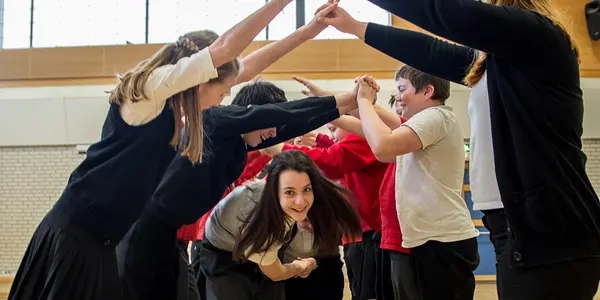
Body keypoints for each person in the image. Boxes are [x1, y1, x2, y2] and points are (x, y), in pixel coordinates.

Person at [8, 1, 299, 299]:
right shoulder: (149, 92)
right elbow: (225, 49)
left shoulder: (172, 107)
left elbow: (244, 67)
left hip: (103, 238)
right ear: (201, 78)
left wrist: (309, 30)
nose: (221, 101)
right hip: (78, 231)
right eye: (222, 92)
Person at [317, 1, 600, 299]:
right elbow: (431, 52)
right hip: (511, 230)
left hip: (548, 230)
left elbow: (444, 13)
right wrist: (356, 27)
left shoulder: (540, 36)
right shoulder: (493, 62)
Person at [118, 62, 359, 299]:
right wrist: (343, 97)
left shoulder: (240, 140)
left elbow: (292, 124)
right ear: (251, 113)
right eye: (222, 91)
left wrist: (352, 102)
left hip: (173, 235)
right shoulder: (215, 121)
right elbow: (286, 114)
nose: (274, 134)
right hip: (152, 233)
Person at [353, 67, 480, 300]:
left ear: (428, 91)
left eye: (402, 89)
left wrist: (363, 101)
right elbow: (373, 130)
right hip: (431, 240)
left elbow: (382, 147)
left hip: (442, 241)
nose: (398, 96)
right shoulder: (423, 124)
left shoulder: (434, 117)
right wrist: (360, 102)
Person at [198, 150, 363, 300]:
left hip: (267, 246)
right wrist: (301, 266)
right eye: (289, 192)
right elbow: (276, 273)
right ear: (274, 191)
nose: (300, 201)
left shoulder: (314, 206)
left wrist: (310, 262)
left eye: (306, 190)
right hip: (225, 250)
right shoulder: (260, 213)